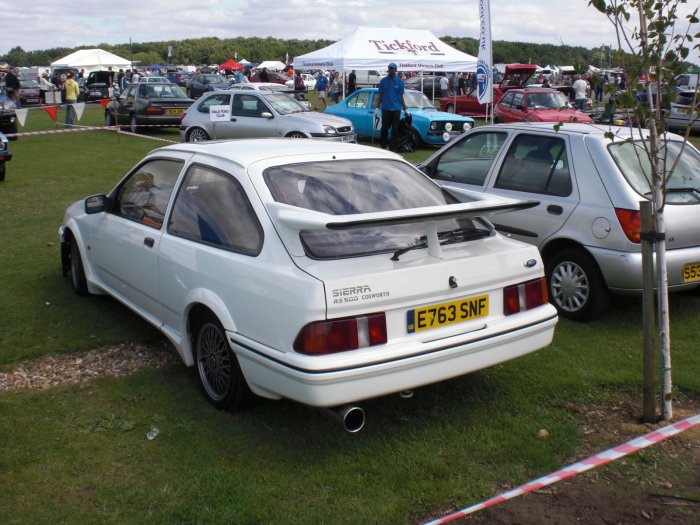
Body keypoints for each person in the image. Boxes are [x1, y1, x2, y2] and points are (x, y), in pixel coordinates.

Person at [376, 63, 407, 151]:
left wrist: (405, 109)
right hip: (386, 108)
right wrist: (377, 107)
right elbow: (381, 96)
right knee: (384, 128)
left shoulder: (400, 81)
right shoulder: (383, 81)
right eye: (389, 68)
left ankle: (393, 147)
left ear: (395, 70)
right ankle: (383, 146)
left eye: (392, 68)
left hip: (396, 109)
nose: (390, 70)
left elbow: (401, 97)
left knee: (395, 128)